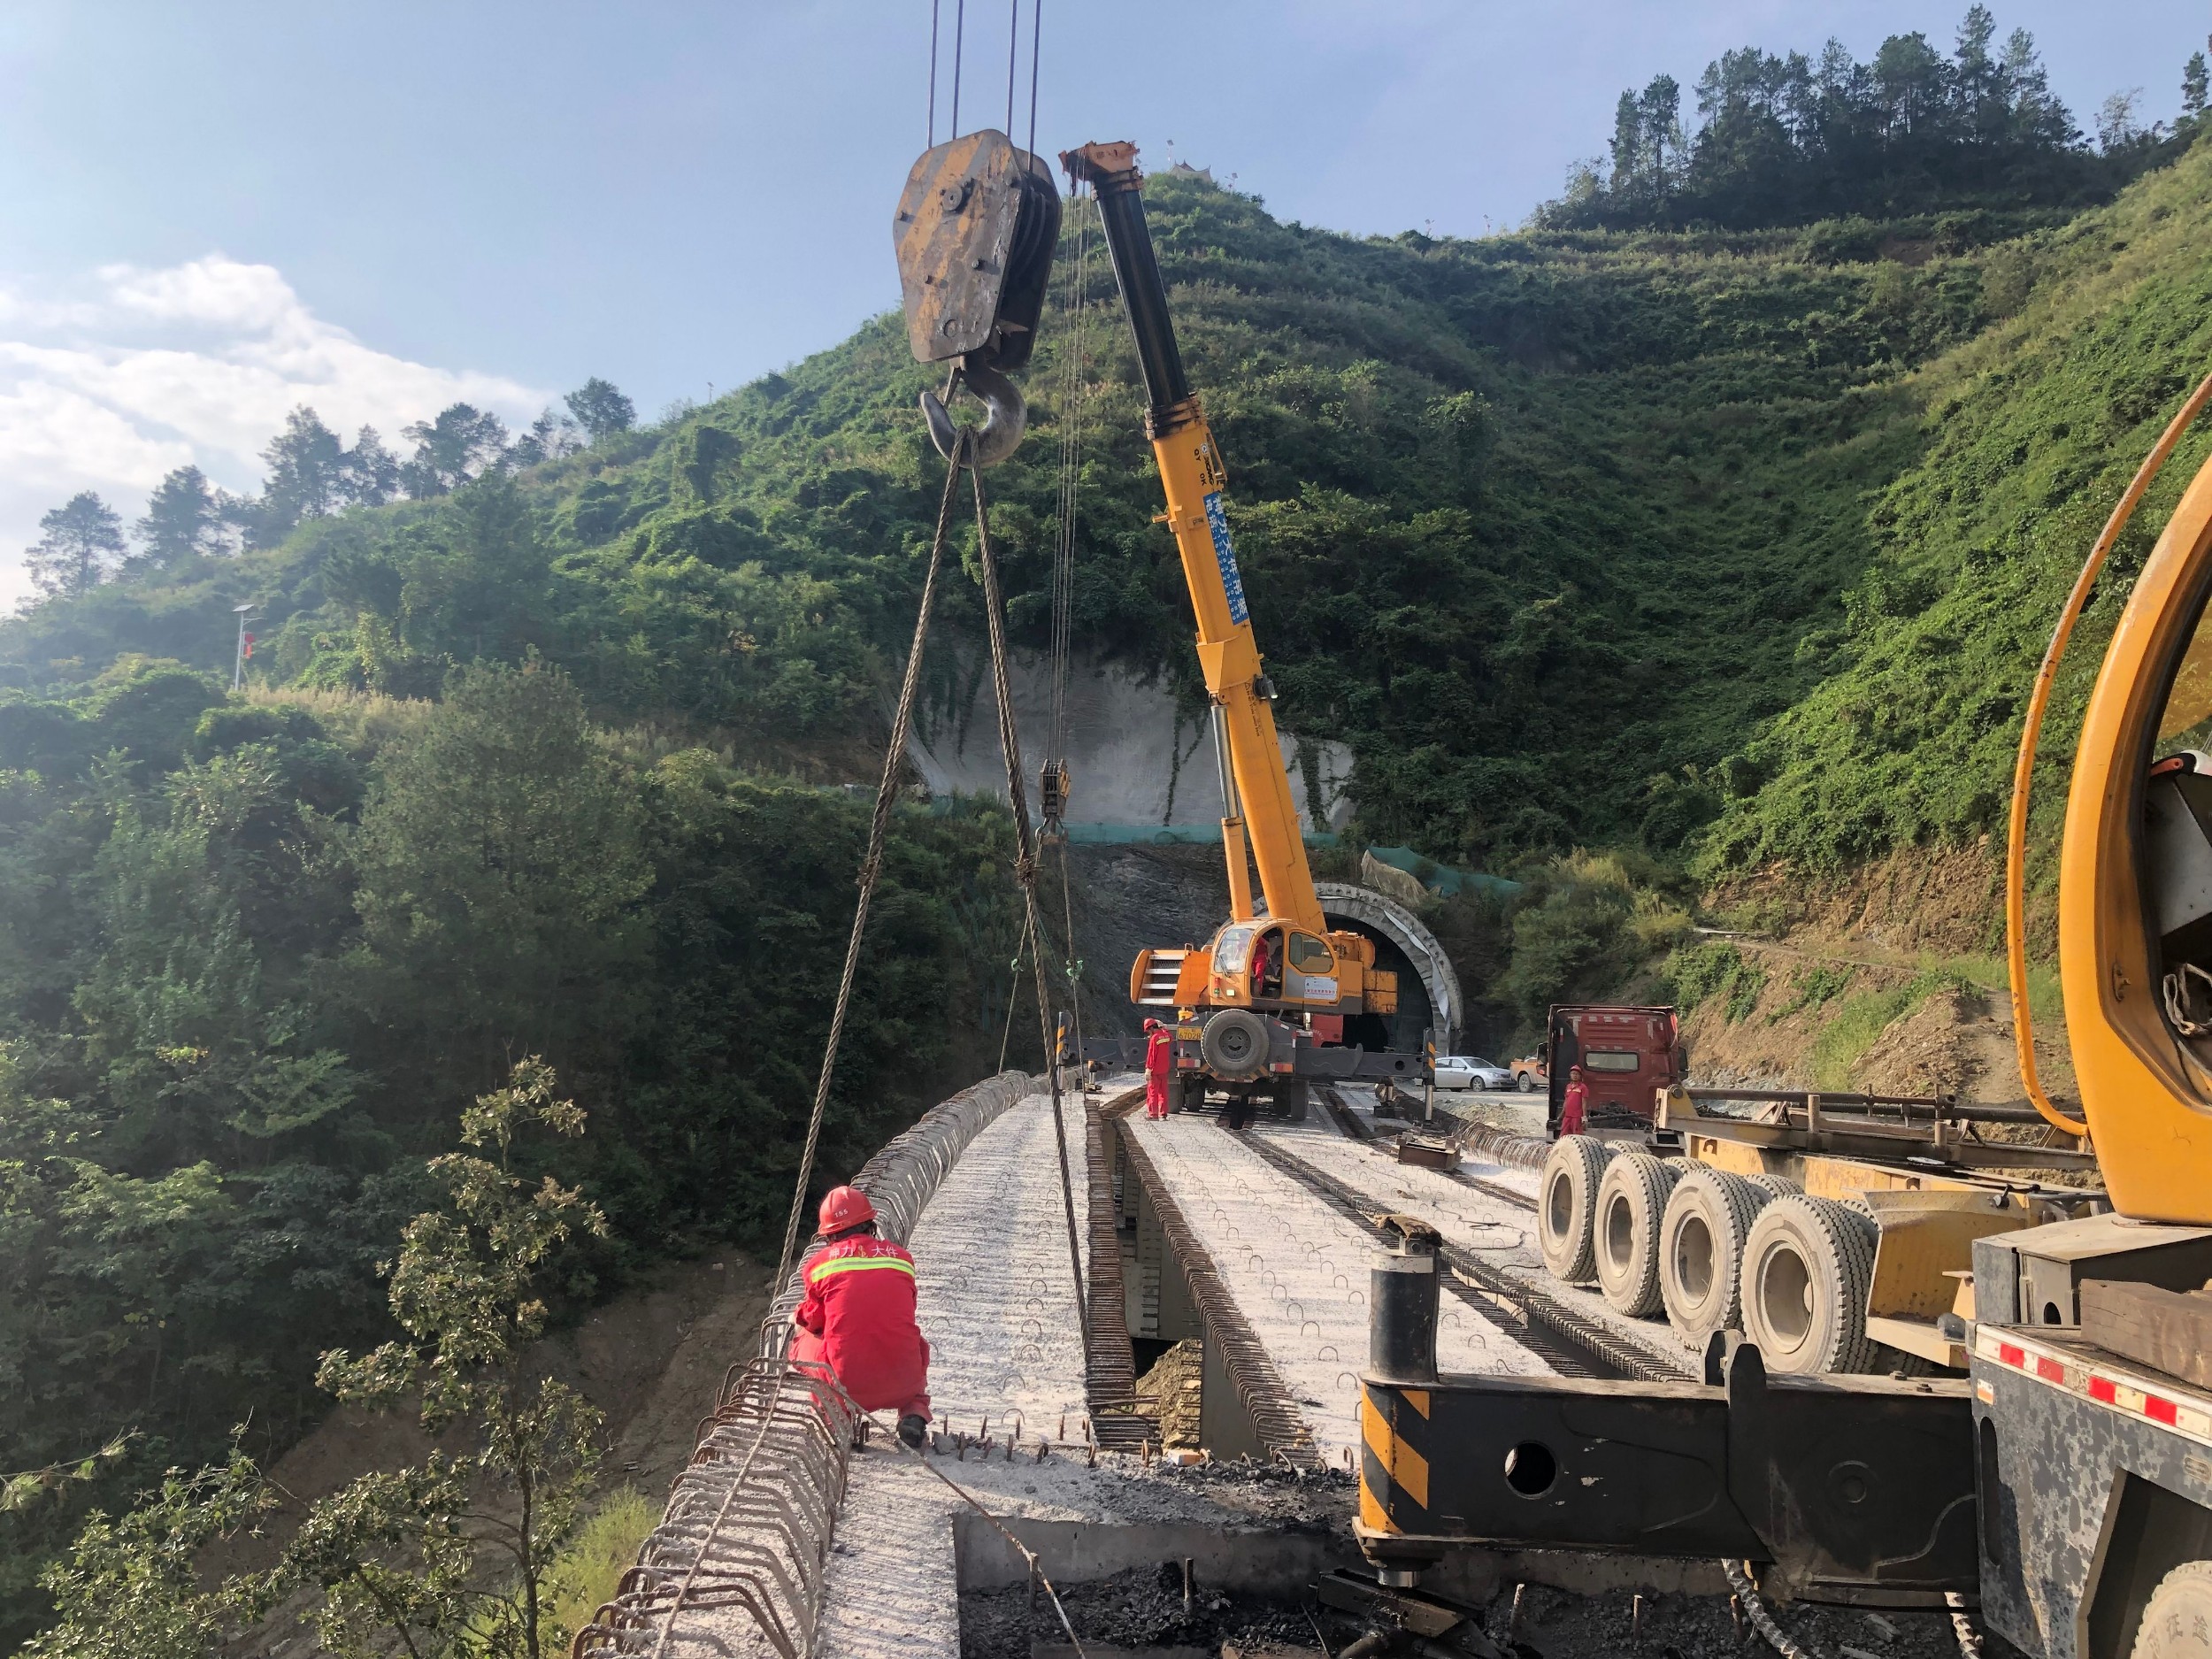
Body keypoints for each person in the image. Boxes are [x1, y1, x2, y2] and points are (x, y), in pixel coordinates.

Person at [791, 1186, 932, 1449]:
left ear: (829, 1235)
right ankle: (914, 1410)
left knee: (803, 1342)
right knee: (915, 1341)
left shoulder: (819, 1266)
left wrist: (797, 1317)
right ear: (871, 1225)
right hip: (903, 1382)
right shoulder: (902, 1259)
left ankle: (835, 1418)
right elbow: (906, 1309)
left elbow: (814, 1321)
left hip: (847, 1388)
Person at [1143, 1018, 1173, 1118]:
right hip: (1164, 1069)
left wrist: (1148, 1069)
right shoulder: (1166, 1036)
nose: (1148, 1033)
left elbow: (1151, 1055)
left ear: (1151, 1028)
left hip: (1155, 1071)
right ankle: (1163, 1113)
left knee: (1153, 1092)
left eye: (1148, 1030)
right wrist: (1164, 1027)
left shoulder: (1154, 1038)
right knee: (1163, 1092)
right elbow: (1170, 1037)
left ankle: (1153, 1114)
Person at [1559, 1064, 1589, 1139]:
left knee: (1577, 1136)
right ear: (1570, 1075)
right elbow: (1566, 1101)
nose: (1575, 1075)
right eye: (1573, 1074)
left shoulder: (1583, 1087)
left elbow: (1584, 1102)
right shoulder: (1568, 1087)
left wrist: (1584, 1117)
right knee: (1563, 1135)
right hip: (1567, 1116)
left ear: (1580, 1076)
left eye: (1577, 1074)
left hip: (1577, 1117)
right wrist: (1562, 1114)